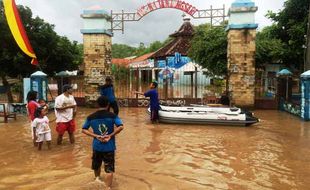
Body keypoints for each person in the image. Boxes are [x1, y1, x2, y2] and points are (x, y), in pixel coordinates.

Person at [82, 96, 124, 189]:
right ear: (108, 104)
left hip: (97, 146)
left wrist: (96, 136)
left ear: (97, 104)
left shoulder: (91, 117)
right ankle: (108, 188)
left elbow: (84, 129)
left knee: (96, 166)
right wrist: (110, 135)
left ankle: (97, 181)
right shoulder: (113, 116)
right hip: (109, 146)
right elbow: (121, 126)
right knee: (109, 170)